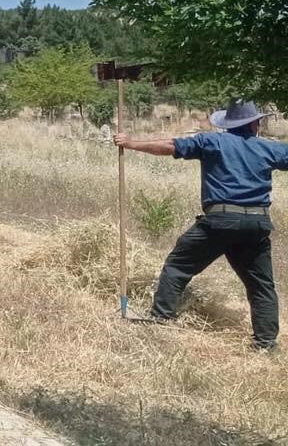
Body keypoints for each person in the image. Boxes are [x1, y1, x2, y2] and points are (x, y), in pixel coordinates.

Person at [115, 100, 286, 351]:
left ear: (229, 124)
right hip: (256, 224)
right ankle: (266, 344)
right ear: (254, 124)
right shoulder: (268, 148)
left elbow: (170, 146)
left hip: (220, 221)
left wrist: (131, 143)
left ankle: (160, 319)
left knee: (177, 266)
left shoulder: (212, 142)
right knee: (261, 286)